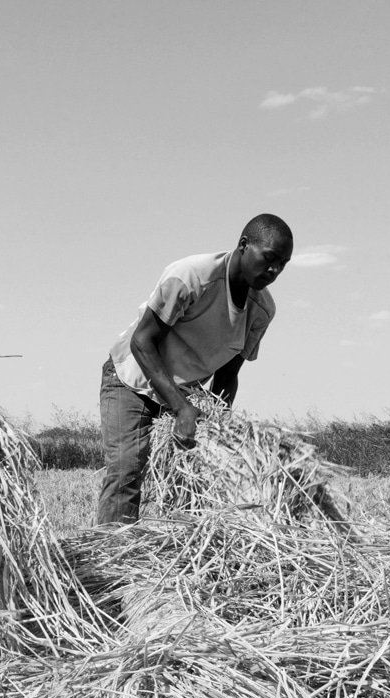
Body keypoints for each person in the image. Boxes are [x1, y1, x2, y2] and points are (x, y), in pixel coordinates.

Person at [95, 214, 293, 525]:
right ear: (244, 245)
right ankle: (109, 563)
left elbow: (228, 373)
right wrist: (182, 409)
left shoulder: (262, 310)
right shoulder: (191, 276)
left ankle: (178, 564)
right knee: (126, 471)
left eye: (283, 264)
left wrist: (218, 427)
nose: (274, 270)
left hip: (184, 394)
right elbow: (142, 341)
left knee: (191, 481)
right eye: (269, 258)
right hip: (132, 379)